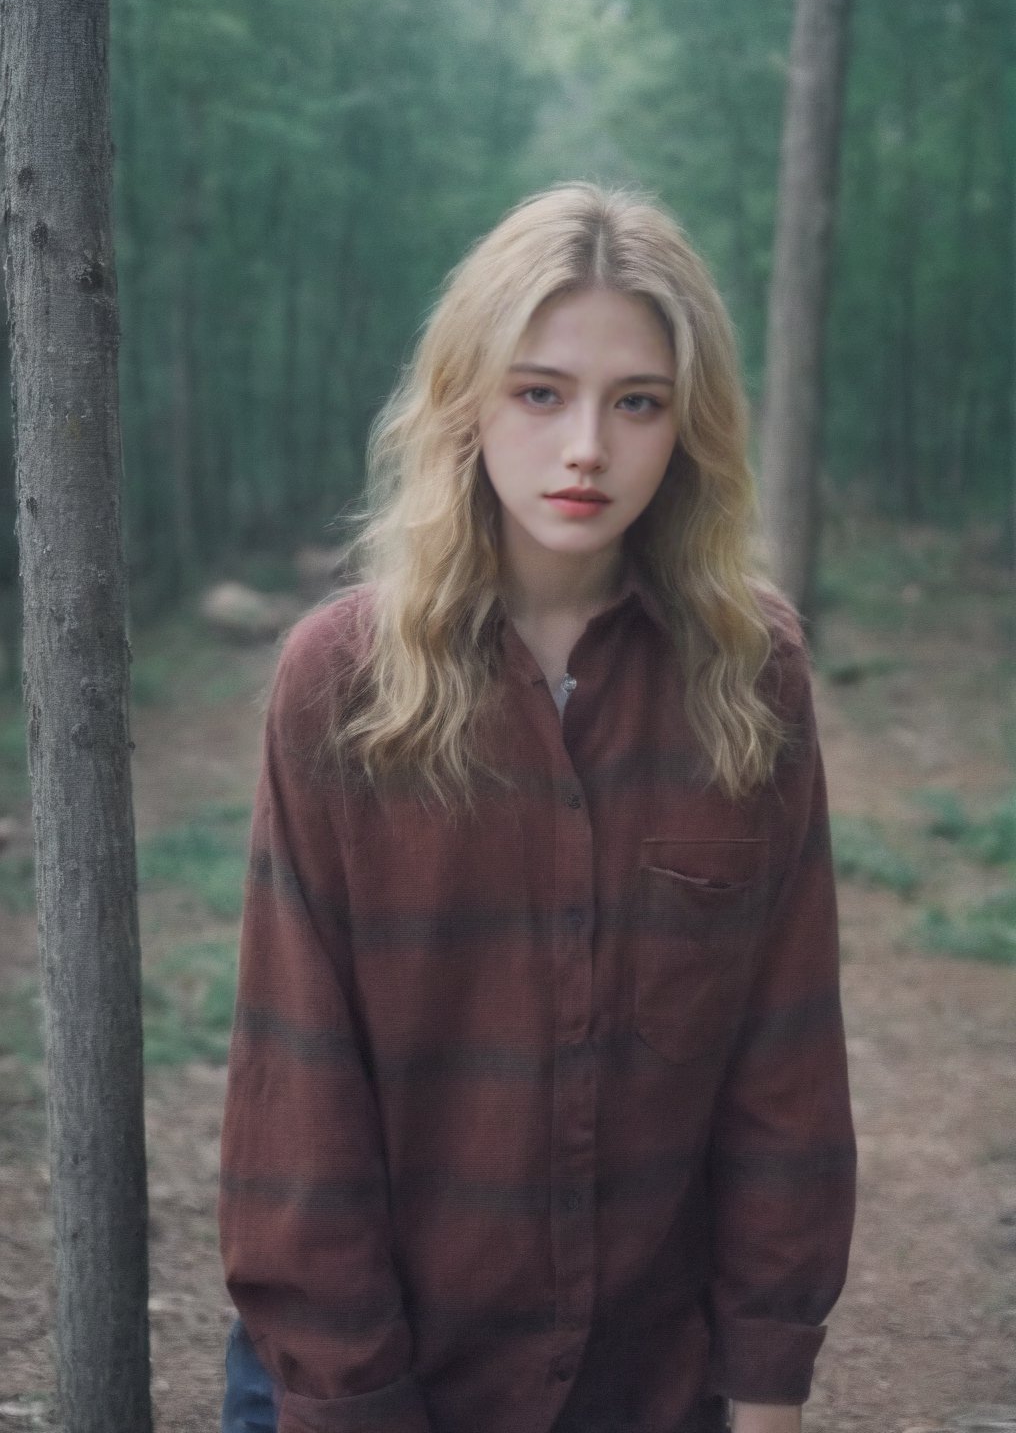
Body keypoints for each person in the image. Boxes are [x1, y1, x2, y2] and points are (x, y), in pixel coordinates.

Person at [218, 181, 856, 1433]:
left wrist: (767, 1381)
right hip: (373, 1373)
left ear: (687, 428)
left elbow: (782, 1055)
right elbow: (298, 1084)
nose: (584, 449)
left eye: (636, 404)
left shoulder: (750, 673)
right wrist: (353, 1396)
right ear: (466, 398)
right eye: (539, 392)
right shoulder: (340, 684)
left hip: (648, 1376)